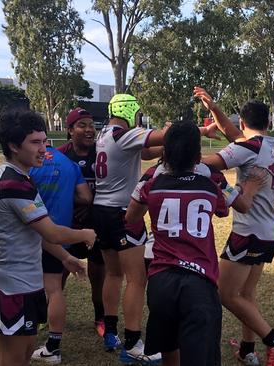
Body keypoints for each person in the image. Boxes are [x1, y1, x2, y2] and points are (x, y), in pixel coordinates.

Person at [92, 94, 217, 363]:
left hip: (100, 209)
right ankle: (134, 342)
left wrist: (170, 147)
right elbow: (165, 136)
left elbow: (149, 152)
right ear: (130, 112)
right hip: (121, 212)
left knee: (113, 274)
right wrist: (203, 130)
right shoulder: (123, 134)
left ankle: (110, 331)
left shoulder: (104, 134)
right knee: (137, 279)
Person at [0, 109, 95, 366]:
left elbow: (37, 232)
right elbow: (51, 231)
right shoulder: (12, 183)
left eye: (45, 141)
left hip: (29, 283)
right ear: (13, 146)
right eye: (35, 142)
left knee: (25, 353)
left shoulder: (23, 178)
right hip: (11, 286)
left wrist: (66, 258)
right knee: (12, 359)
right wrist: (85, 234)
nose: (43, 149)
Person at [194, 87, 274, 366]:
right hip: (268, 230)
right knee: (246, 294)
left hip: (248, 231)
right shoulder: (272, 145)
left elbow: (204, 163)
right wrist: (214, 109)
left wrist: (184, 147)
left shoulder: (247, 147)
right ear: (268, 124)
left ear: (243, 123)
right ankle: (248, 350)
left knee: (225, 294)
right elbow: (236, 137)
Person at [124, 122, 234, 366]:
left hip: (161, 279)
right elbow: (224, 211)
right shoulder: (209, 186)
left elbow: (130, 217)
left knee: (168, 346)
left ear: (165, 153)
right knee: (201, 355)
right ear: (197, 156)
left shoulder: (151, 185)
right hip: (200, 281)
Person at [29, 140, 93, 364]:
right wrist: (67, 197)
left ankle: (16, 331)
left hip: (30, 233)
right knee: (54, 289)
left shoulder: (27, 163)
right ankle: (53, 346)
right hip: (60, 232)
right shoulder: (68, 163)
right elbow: (86, 197)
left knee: (23, 286)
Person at [56, 108, 107, 338]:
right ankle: (49, 315)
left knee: (99, 276)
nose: (89, 130)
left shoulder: (103, 153)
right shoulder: (59, 156)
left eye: (91, 124)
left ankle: (100, 316)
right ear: (69, 130)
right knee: (58, 274)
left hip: (97, 226)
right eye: (82, 125)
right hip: (68, 226)